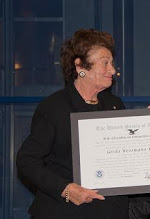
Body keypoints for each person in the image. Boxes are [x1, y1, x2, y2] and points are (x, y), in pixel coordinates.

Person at [16, 29, 128, 219]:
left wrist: (145, 129)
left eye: (111, 63)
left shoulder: (115, 105)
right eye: (105, 63)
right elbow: (27, 161)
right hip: (64, 212)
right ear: (80, 66)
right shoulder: (54, 107)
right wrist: (66, 189)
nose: (112, 70)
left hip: (109, 212)